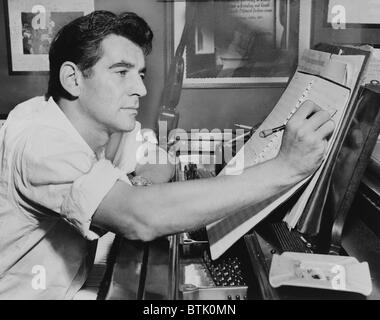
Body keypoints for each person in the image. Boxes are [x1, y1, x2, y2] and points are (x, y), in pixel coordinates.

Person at [0, 11, 335, 299]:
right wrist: (285, 168)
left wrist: (131, 187)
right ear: (73, 78)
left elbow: (161, 161)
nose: (141, 89)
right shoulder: (41, 140)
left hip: (75, 281)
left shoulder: (105, 121)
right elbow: (140, 219)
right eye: (121, 73)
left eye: (140, 74)